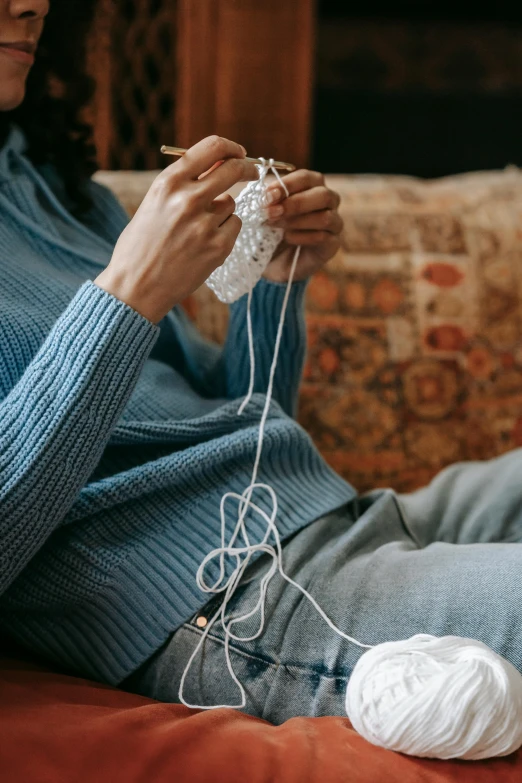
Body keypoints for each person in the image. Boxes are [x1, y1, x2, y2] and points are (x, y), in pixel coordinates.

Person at [1, 0, 522, 725]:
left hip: (331, 525)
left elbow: (239, 436)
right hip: (227, 605)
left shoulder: (57, 191)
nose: (31, 3)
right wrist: (128, 293)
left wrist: (272, 289)